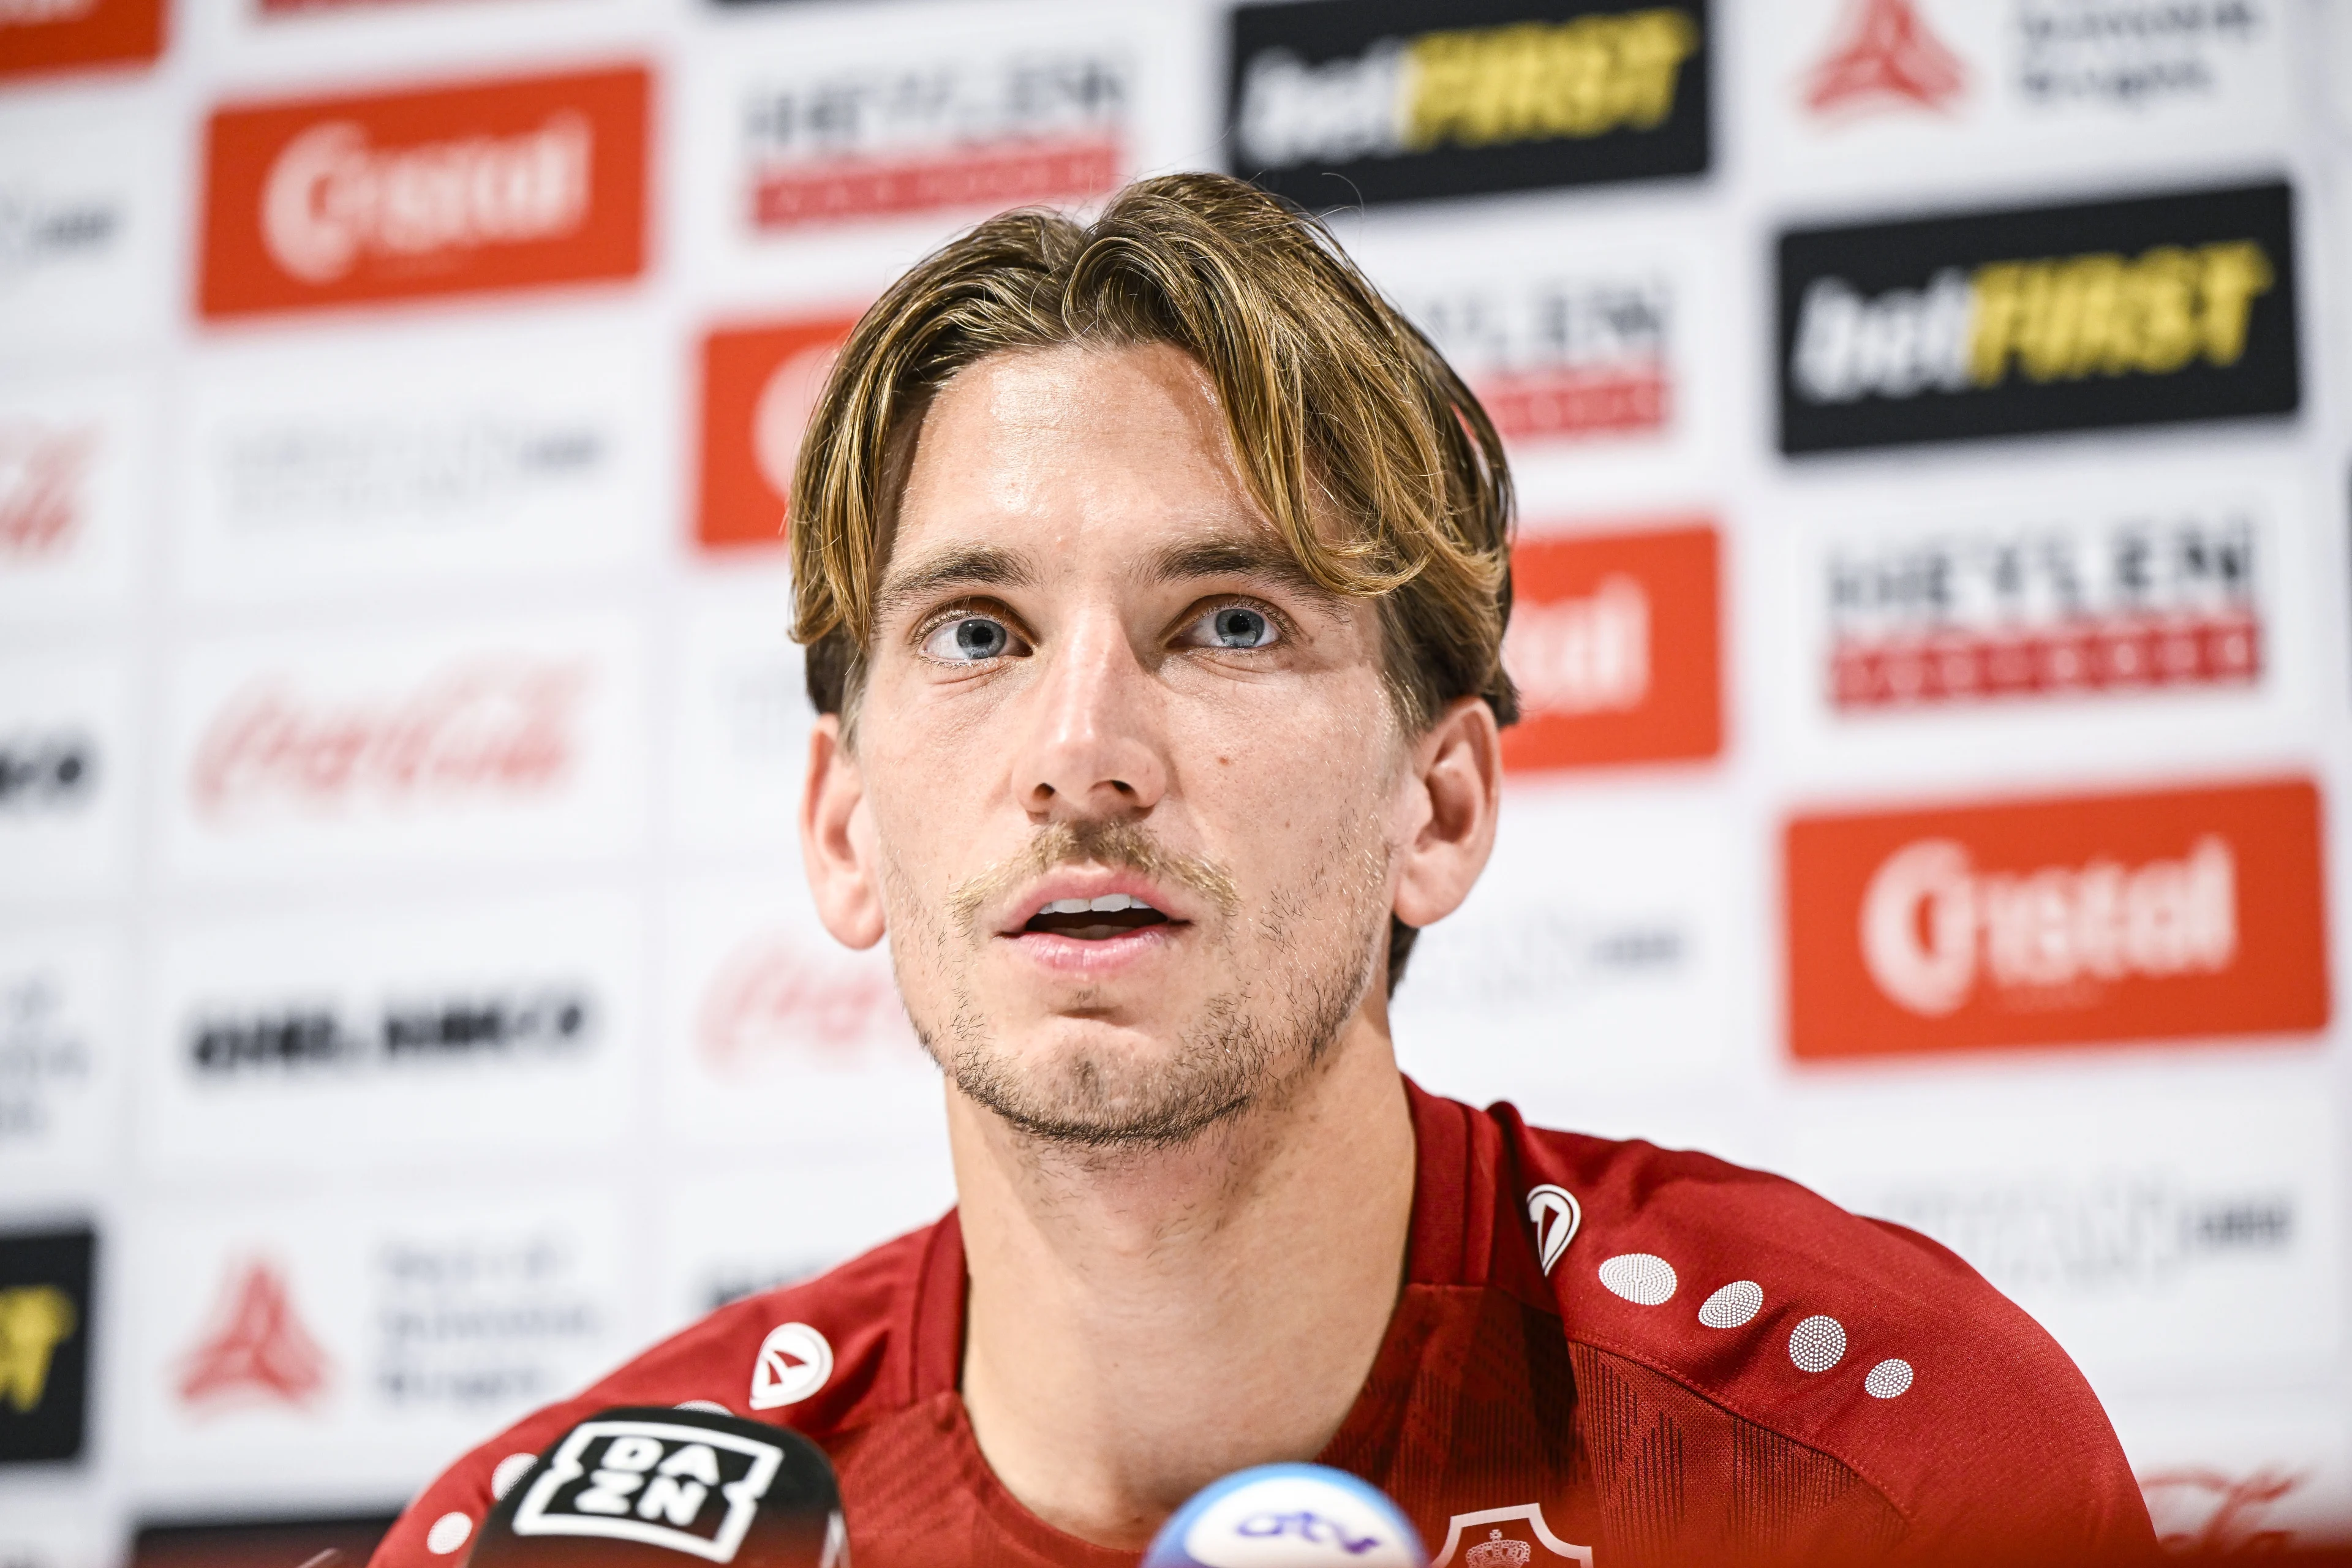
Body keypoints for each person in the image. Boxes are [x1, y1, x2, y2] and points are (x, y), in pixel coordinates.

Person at [372, 174, 2155, 1568]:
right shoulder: (551, 1541)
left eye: (1227, 623)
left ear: (1437, 811)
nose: (1083, 750)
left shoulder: (1884, 1457)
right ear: (844, 827)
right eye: (978, 633)